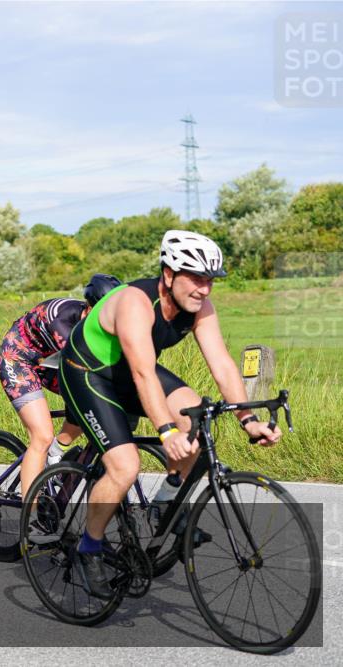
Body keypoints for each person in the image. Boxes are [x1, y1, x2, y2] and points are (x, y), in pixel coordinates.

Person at [59, 230, 281, 599]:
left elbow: (222, 365)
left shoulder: (200, 307)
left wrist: (248, 421)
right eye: (196, 278)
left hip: (130, 371)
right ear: (168, 274)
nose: (204, 289)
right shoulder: (135, 302)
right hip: (88, 373)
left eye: (210, 280)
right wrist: (165, 432)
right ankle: (89, 547)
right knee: (125, 466)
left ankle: (163, 505)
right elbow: (143, 374)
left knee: (196, 419)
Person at [0, 273, 121, 500]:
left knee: (91, 404)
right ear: (89, 308)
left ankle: (56, 453)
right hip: (19, 358)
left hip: (52, 361)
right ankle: (30, 512)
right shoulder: (62, 320)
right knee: (42, 436)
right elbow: (83, 362)